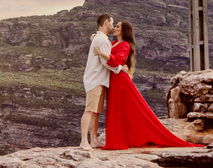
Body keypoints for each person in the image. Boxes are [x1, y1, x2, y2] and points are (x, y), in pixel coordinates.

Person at [104, 21, 191, 150]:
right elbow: (108, 54)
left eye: (118, 27)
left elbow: (116, 59)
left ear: (124, 31)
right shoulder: (114, 43)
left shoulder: (125, 45)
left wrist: (105, 56)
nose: (115, 28)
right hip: (114, 79)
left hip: (120, 81)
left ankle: (118, 141)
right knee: (116, 108)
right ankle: (119, 139)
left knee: (120, 108)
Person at [80, 13, 114, 148]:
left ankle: (93, 140)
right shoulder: (103, 40)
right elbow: (106, 61)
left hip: (98, 80)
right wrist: (120, 69)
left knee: (95, 112)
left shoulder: (99, 38)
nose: (112, 26)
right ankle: (84, 141)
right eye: (112, 23)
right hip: (95, 80)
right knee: (89, 110)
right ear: (106, 22)